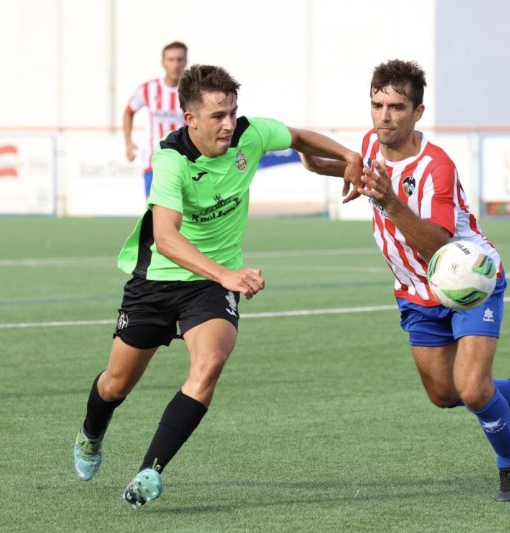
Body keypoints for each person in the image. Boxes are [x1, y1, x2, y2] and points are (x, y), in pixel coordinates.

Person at [73, 64, 364, 508]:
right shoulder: (171, 159)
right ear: (190, 119)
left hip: (209, 289)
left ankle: (150, 471)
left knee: (208, 365)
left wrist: (350, 157)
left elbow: (300, 136)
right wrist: (226, 274)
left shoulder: (251, 135)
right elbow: (167, 238)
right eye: (217, 116)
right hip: (157, 281)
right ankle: (91, 434)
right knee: (115, 386)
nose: (228, 123)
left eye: (232, 112)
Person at [300, 59, 510, 502]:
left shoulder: (436, 167)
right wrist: (323, 164)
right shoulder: (372, 142)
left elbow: (440, 247)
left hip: (469, 281)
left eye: (396, 107)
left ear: (418, 112)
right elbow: (363, 168)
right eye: (377, 105)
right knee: (445, 394)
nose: (384, 116)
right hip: (415, 291)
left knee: (470, 387)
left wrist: (390, 202)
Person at [123, 41, 188, 197]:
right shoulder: (148, 89)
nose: (175, 65)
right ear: (163, 62)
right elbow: (128, 112)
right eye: (171, 59)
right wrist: (128, 143)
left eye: (179, 59)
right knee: (154, 212)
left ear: (185, 62)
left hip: (185, 162)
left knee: (184, 215)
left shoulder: (192, 92)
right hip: (154, 161)